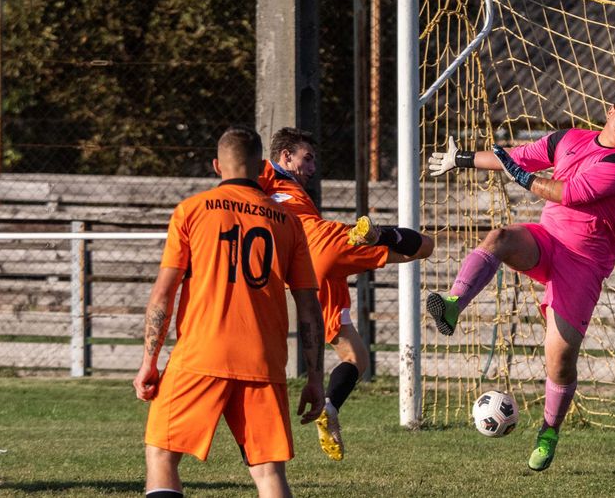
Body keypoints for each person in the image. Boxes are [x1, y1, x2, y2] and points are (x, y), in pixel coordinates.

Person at [425, 92, 615, 471]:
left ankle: (549, 432)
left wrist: (524, 179)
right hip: (546, 241)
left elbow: (569, 194)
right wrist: (461, 158)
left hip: (583, 263)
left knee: (559, 362)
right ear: (610, 112)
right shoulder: (569, 139)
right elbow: (516, 156)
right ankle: (452, 304)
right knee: (499, 237)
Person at [133, 125, 325, 498]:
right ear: (261, 166)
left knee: (162, 455)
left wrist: (149, 362)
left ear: (217, 166)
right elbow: (308, 307)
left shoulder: (192, 210)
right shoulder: (288, 222)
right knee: (268, 472)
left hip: (200, 356)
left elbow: (162, 295)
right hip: (263, 361)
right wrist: (315, 377)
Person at [260, 127, 434, 461]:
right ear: (285, 156)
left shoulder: (267, 184)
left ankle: (329, 407)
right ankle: (375, 234)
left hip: (301, 273)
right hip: (324, 244)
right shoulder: (269, 176)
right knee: (425, 245)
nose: (312, 168)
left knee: (356, 357)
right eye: (307, 159)